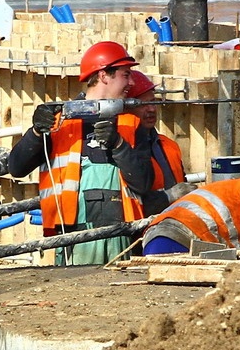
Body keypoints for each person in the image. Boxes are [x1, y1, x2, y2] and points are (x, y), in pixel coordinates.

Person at [8, 41, 154, 265]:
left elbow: (143, 183)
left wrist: (117, 144)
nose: (132, 82)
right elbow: (16, 168)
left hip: (121, 235)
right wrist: (36, 132)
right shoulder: (59, 121)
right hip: (73, 238)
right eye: (126, 74)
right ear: (104, 75)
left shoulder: (131, 125)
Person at [127, 70, 195, 215]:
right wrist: (168, 196)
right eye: (142, 104)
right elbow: (128, 205)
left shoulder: (169, 146)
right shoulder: (123, 150)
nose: (151, 109)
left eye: (153, 102)